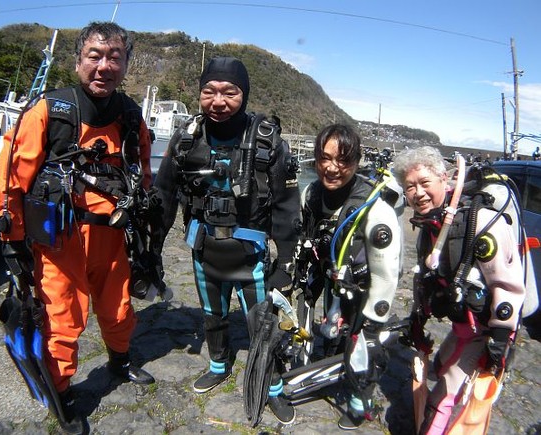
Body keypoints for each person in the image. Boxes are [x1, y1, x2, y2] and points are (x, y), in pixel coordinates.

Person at [0, 22, 155, 434]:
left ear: (125, 63)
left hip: (113, 235)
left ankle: (119, 362)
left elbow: (142, 175)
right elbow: (13, 177)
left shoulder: (131, 117)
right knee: (62, 319)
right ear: (78, 61)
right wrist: (12, 241)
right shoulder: (49, 111)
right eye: (94, 56)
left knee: (119, 308)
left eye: (114, 57)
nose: (104, 66)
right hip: (60, 240)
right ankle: (62, 393)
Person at [153, 56, 301, 424]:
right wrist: (151, 250)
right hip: (204, 251)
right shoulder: (187, 137)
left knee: (264, 323)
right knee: (212, 314)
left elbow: (286, 207)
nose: (218, 101)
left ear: (244, 95)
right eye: (209, 91)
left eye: (229, 92)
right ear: (200, 94)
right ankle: (219, 365)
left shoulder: (269, 142)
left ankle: (274, 386)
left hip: (250, 257)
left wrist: (284, 263)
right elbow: (165, 193)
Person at [391, 146, 526, 434]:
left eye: (425, 183)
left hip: (489, 329)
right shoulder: (432, 226)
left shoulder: (480, 223)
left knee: (444, 394)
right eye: (410, 186)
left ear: (444, 178)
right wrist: (418, 317)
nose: (418, 193)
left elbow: (507, 287)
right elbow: (426, 276)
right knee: (439, 366)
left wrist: (500, 342)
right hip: (464, 325)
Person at [295, 124, 403, 430]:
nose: (332, 168)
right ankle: (327, 364)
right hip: (333, 275)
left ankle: (360, 402)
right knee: (331, 329)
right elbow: (310, 235)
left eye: (342, 160)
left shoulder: (374, 207)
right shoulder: (311, 193)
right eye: (324, 158)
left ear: (356, 161)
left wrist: (373, 318)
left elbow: (386, 273)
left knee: (363, 344)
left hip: (366, 285)